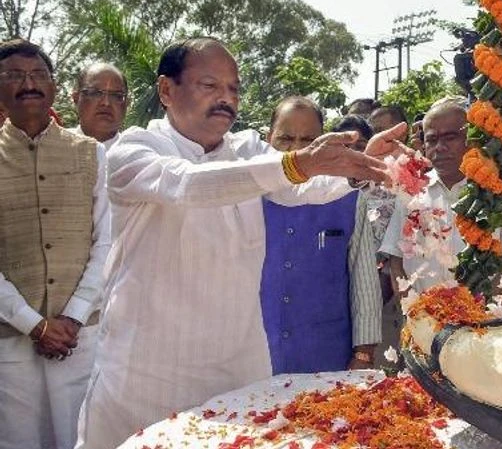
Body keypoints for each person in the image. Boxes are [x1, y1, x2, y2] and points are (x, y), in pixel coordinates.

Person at [75, 37, 407, 449]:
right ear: (166, 90)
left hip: (237, 371)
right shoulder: (135, 149)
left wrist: (359, 166)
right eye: (210, 86)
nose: (225, 99)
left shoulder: (247, 148)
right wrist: (296, 164)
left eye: (233, 88)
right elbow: (188, 185)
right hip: (149, 375)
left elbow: (303, 188)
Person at [0, 39, 110, 449]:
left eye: (38, 75)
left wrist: (74, 316)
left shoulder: (90, 153)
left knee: (82, 438)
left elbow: (106, 240)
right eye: (13, 75)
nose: (28, 84)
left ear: (54, 87)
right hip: (9, 339)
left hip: (79, 337)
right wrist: (33, 324)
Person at [261, 97, 381, 373]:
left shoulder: (347, 195)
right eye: (286, 139)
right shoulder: (247, 197)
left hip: (327, 355)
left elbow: (363, 280)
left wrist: (363, 355)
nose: (297, 149)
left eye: (308, 140)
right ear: (268, 139)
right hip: (257, 356)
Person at [381, 97, 502, 298]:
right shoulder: (410, 192)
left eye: (450, 138)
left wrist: (474, 313)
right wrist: (416, 310)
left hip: (485, 324)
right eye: (431, 139)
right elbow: (396, 262)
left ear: (473, 140)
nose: (439, 147)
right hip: (423, 323)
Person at [71, 62, 129, 149]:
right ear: (76, 98)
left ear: (127, 103)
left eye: (116, 96)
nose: (106, 103)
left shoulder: (140, 155)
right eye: (95, 93)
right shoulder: (53, 146)